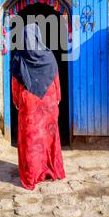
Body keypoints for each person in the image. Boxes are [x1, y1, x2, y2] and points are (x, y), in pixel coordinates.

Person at [11, 23, 66, 191]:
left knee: (31, 139)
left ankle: (31, 175)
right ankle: (51, 170)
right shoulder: (48, 55)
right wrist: (57, 98)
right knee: (49, 137)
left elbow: (15, 83)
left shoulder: (19, 57)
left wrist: (17, 101)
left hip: (29, 103)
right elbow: (56, 79)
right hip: (48, 102)